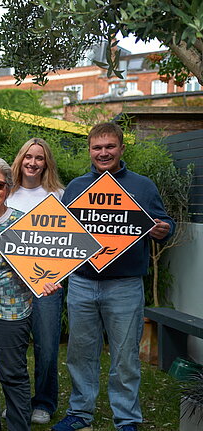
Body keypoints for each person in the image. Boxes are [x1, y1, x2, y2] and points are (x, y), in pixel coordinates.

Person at [52, 123, 175, 431]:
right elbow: (63, 234)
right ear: (90, 150)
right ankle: (80, 412)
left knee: (125, 356)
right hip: (81, 282)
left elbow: (164, 222)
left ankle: (127, 419)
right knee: (80, 353)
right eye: (97, 147)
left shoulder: (142, 186)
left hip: (125, 284)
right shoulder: (77, 186)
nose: (103, 153)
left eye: (109, 147)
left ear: (121, 148)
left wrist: (164, 229)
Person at [0, 157, 60, 431]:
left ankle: (19, 426)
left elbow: (45, 264)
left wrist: (48, 281)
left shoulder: (24, 224)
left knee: (13, 374)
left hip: (13, 313)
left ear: (7, 188)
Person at [6, 137, 66, 425]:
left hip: (47, 285)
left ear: (46, 163)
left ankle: (43, 401)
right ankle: (17, 400)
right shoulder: (7, 193)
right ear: (20, 159)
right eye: (28, 156)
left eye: (39, 158)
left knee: (47, 346)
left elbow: (70, 243)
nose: (32, 162)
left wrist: (59, 275)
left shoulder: (59, 195)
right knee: (12, 348)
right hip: (11, 283)